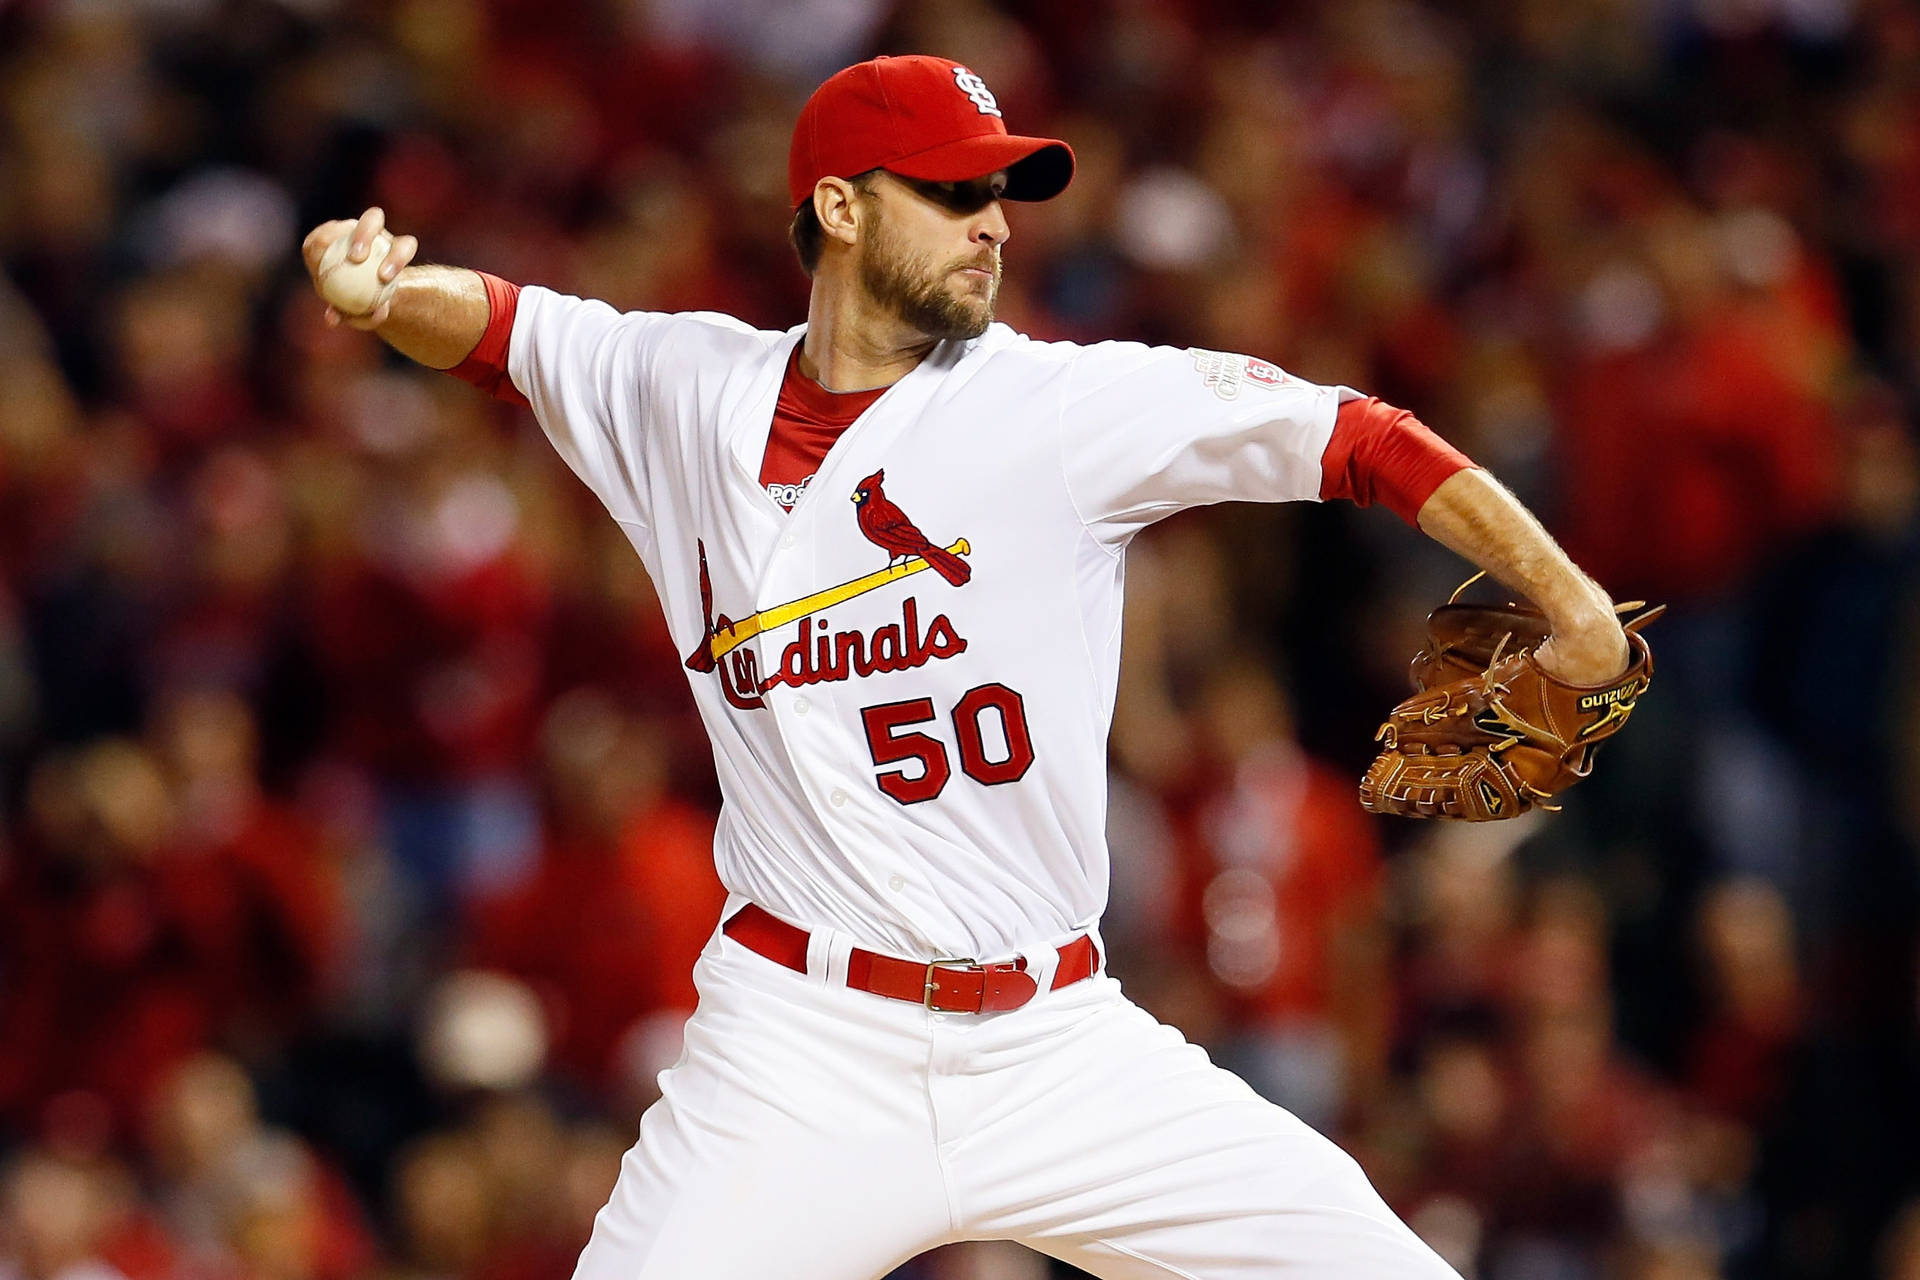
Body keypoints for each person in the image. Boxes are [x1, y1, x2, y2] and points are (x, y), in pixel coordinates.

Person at [301, 53, 1629, 1280]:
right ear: (839, 206)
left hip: (1058, 1041)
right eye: (951, 193)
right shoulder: (682, 389)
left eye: (1001, 191)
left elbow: (1355, 434)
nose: (994, 221)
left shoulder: (1055, 408)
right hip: (801, 1050)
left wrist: (1572, 606)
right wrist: (376, 296)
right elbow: (501, 327)